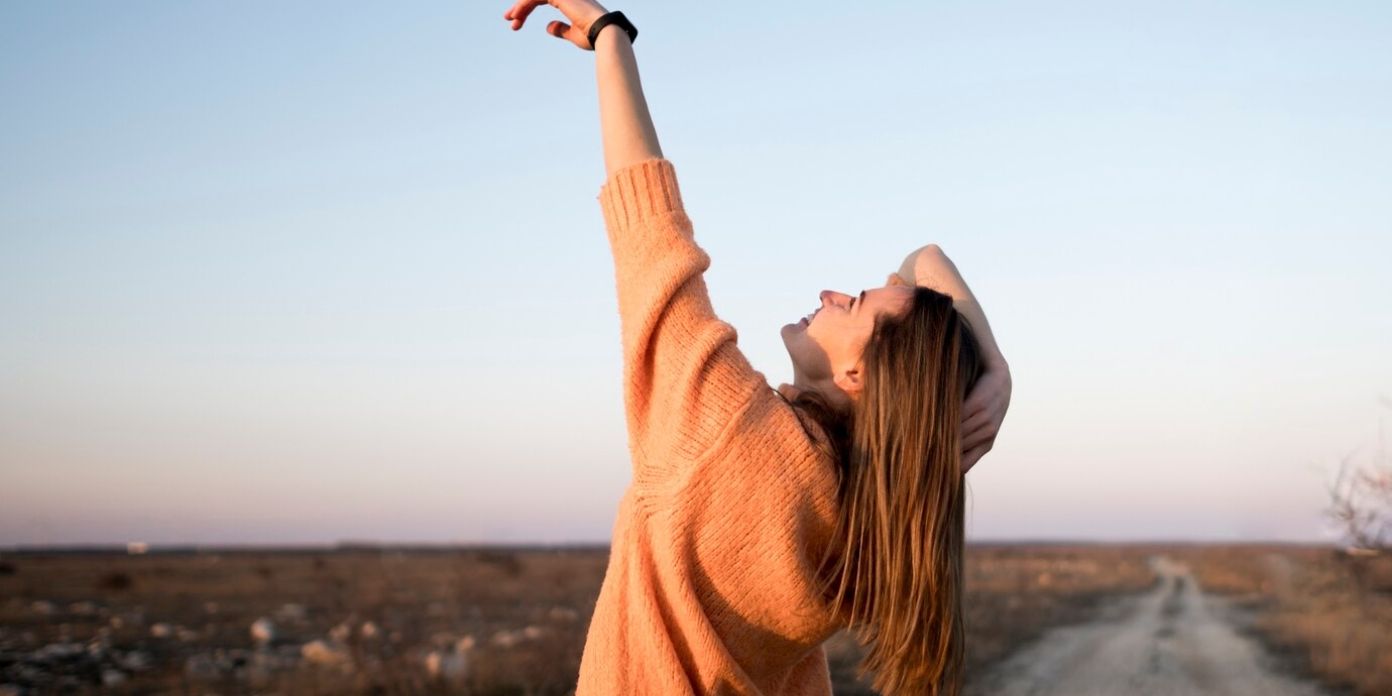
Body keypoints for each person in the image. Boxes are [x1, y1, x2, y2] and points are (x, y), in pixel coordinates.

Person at [503, 2, 1013, 694]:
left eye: (854, 303)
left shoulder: (736, 433)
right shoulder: (875, 510)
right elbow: (924, 261)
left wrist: (609, 33)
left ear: (860, 373)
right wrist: (990, 365)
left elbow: (650, 231)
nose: (833, 292)